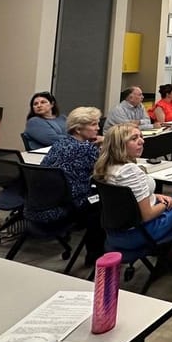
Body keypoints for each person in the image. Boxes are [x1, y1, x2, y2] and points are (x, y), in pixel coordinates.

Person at [93, 123, 172, 279]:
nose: (142, 141)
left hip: (113, 234)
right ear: (119, 145)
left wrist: (155, 197)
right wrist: (166, 203)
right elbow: (147, 215)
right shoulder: (130, 171)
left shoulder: (107, 167)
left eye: (141, 137)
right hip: (138, 234)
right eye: (134, 138)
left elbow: (127, 199)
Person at [30, 106, 105, 264]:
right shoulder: (86, 149)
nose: (98, 128)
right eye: (93, 124)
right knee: (104, 204)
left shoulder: (60, 143)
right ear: (78, 129)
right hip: (65, 208)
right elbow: (105, 171)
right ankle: (95, 256)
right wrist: (104, 144)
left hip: (40, 205)